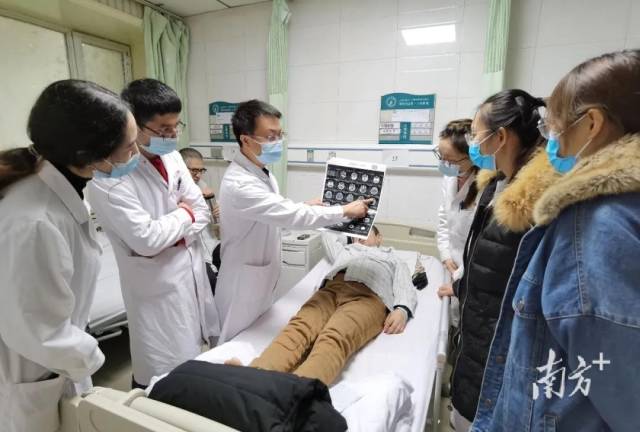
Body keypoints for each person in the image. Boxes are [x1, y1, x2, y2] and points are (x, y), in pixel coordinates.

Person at [472, 50, 640, 432]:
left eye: (555, 126)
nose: (550, 140)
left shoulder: (598, 227)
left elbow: (626, 394)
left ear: (592, 123)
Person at [0, 79, 137, 431]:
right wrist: (92, 354)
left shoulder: (59, 184)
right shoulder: (34, 222)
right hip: (33, 375)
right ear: (88, 156)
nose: (136, 153)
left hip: (52, 364)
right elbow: (39, 332)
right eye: (129, 146)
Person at [87, 79, 218, 388]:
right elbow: (147, 240)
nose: (172, 135)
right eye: (163, 129)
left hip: (188, 271)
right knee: (160, 374)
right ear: (134, 124)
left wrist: (174, 227)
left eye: (176, 126)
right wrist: (184, 214)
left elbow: (201, 209)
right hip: (155, 288)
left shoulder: (172, 157)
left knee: (193, 359)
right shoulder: (110, 178)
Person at [216, 99, 371, 343]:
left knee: (256, 340)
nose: (278, 141)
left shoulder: (261, 172)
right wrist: (345, 211)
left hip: (260, 276)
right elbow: (290, 215)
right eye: (271, 136)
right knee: (235, 343)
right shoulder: (240, 184)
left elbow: (273, 211)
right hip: (241, 284)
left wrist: (305, 205)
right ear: (246, 140)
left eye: (280, 135)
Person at [449, 89, 558, 431]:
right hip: (477, 337)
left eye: (476, 134)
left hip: (502, 351)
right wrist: (461, 287)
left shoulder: (537, 203)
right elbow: (488, 263)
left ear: (500, 137)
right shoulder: (495, 185)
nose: (472, 143)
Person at [228, 227, 417, 386]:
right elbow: (328, 235)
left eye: (365, 233)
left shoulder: (393, 259)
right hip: (331, 290)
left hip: (368, 296)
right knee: (297, 329)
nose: (360, 237)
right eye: (356, 234)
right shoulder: (345, 250)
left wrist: (402, 309)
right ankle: (253, 379)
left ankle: (295, 393)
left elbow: (405, 285)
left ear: (379, 238)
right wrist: (348, 228)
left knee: (334, 337)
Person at [434, 119, 478, 328]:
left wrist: (461, 279)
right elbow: (443, 218)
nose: (444, 164)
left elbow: (482, 243)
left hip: (471, 271)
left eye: (450, 160)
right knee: (452, 322)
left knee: (466, 322)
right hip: (451, 262)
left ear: (471, 157)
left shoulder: (487, 187)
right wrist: (444, 254)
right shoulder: (450, 177)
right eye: (440, 156)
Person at [180, 147, 221, 290]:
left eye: (201, 170)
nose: (198, 175)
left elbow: (214, 224)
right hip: (191, 250)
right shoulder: (175, 191)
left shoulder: (202, 186)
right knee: (210, 281)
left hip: (211, 244)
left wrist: (217, 212)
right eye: (194, 171)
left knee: (233, 263)